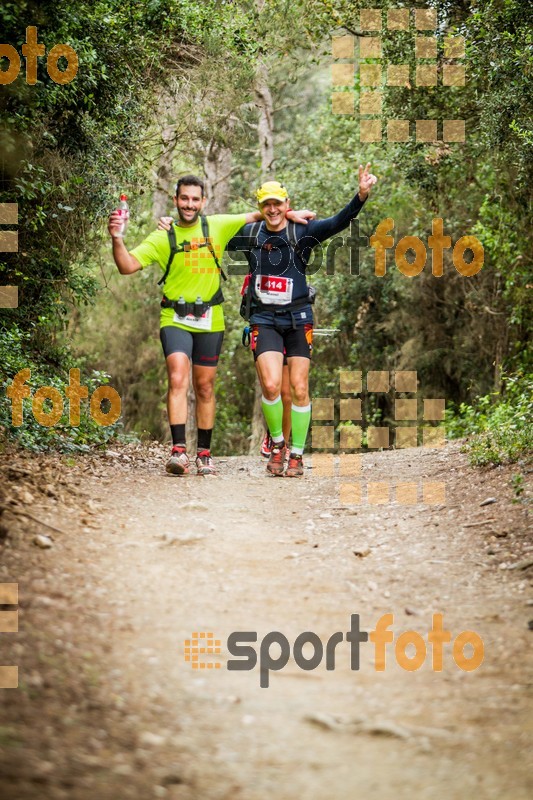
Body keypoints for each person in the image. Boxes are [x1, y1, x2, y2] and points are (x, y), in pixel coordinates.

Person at [109, 174, 313, 476]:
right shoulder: (162, 236)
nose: (189, 204)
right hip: (174, 317)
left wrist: (289, 214)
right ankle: (179, 451)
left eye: (194, 199)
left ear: (203, 202)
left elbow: (262, 213)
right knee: (178, 377)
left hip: (210, 318)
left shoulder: (217, 225)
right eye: (183, 199)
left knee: (204, 387)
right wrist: (117, 237)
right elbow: (126, 266)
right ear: (176, 201)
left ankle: (204, 453)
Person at [235, 163, 378, 477]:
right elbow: (213, 229)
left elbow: (340, 222)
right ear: (260, 207)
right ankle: (277, 444)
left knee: (299, 389)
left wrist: (361, 195)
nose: (272, 209)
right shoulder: (249, 233)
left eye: (278, 203)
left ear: (288, 203)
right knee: (271, 386)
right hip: (264, 319)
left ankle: (296, 455)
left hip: (299, 319)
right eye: (266, 204)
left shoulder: (303, 231)